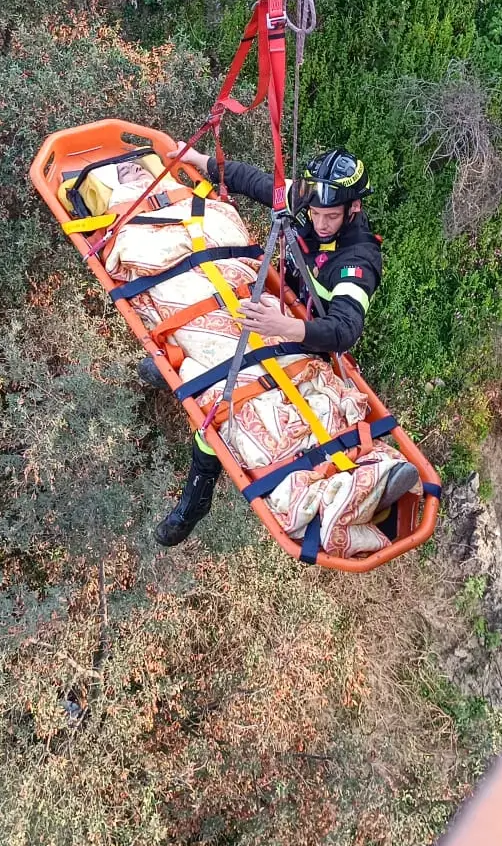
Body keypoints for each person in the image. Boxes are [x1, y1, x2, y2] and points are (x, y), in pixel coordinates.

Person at [140, 147, 415, 546]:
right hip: (278, 317)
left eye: (330, 217)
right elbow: (257, 183)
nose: (320, 223)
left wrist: (285, 326)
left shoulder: (358, 260)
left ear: (353, 208)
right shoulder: (314, 198)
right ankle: (173, 373)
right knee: (206, 341)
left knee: (228, 410)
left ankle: (200, 502)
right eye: (315, 215)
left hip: (309, 346)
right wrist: (204, 162)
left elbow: (344, 329)